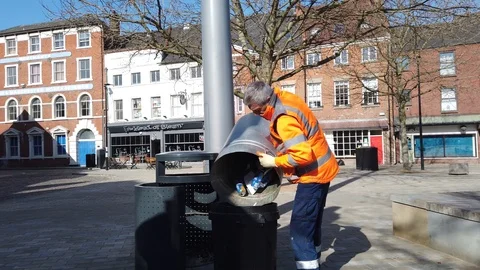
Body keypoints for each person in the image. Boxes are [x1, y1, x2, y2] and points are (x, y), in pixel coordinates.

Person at [243, 81, 339, 270]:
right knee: (312, 222)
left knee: (300, 229)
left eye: (259, 111)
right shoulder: (285, 98)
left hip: (313, 175)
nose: (258, 115)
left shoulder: (283, 118)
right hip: (323, 169)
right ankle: (316, 259)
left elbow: (303, 154)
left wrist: (275, 162)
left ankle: (309, 266)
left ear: (268, 100)